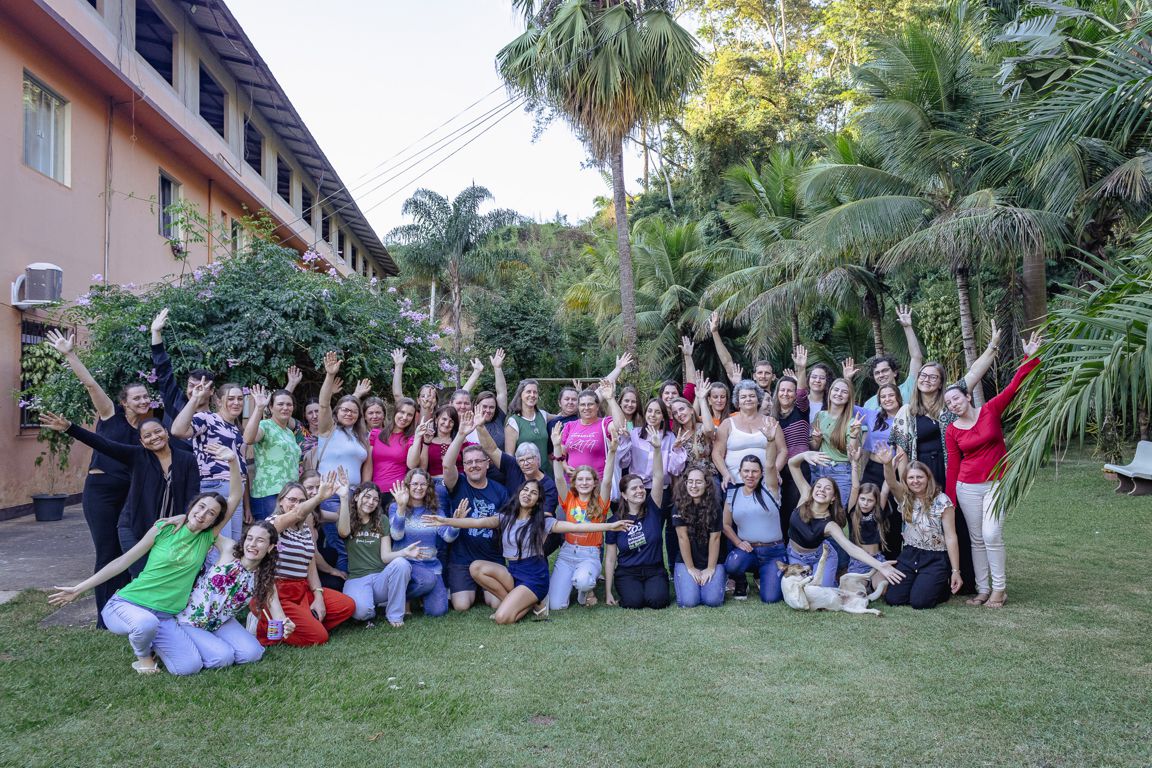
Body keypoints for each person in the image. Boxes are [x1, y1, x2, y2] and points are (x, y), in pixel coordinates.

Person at [47, 446, 243, 675]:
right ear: (192, 506)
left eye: (211, 513)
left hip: (165, 616)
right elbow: (122, 562)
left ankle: (158, 645)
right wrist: (79, 588)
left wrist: (232, 462)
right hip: (128, 605)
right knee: (145, 624)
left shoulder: (207, 538)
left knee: (189, 667)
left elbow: (235, 496)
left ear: (213, 522)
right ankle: (143, 659)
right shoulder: (164, 529)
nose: (203, 514)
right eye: (201, 507)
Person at [45, 329, 159, 625]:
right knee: (107, 550)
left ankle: (122, 609)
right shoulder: (110, 415)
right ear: (124, 402)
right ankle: (103, 617)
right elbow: (90, 384)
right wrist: (70, 354)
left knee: (127, 550)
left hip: (129, 495)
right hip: (102, 493)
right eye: (137, 397)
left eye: (146, 396)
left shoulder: (146, 432)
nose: (143, 400)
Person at [888, 321, 1002, 592]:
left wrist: (992, 346)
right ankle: (933, 574)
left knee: (959, 522)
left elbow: (974, 373)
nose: (926, 379)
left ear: (941, 383)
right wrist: (905, 485)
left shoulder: (950, 405)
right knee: (925, 524)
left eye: (933, 377)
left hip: (953, 471)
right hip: (921, 474)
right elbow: (902, 453)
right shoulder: (907, 411)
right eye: (923, 375)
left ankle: (967, 579)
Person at [423, 481, 628, 624]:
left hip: (533, 577)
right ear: (519, 492)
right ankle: (530, 605)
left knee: (503, 619)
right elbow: (476, 522)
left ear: (538, 500)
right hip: (513, 572)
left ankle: (529, 601)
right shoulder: (505, 517)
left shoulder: (543, 522)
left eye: (533, 493)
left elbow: (576, 526)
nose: (527, 494)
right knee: (476, 567)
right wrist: (445, 520)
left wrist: (608, 527)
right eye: (525, 490)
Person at [944, 332, 1042, 608]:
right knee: (976, 539)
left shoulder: (990, 410)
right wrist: (951, 499)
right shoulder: (952, 430)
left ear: (967, 395)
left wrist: (1029, 356)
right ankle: (983, 589)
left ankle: (1000, 589)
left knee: (991, 534)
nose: (954, 405)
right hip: (967, 486)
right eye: (949, 404)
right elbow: (954, 465)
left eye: (956, 399)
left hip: (997, 482)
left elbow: (1015, 385)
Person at [41, 411, 199, 579]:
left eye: (158, 431)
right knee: (143, 578)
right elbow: (103, 444)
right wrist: (69, 428)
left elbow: (192, 495)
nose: (154, 437)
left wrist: (186, 522)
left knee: (166, 579)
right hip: (135, 529)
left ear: (166, 433)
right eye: (147, 436)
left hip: (172, 531)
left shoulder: (187, 459)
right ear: (142, 442)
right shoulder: (137, 456)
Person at [255, 474, 357, 646]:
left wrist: (318, 596)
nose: (297, 504)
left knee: (347, 605)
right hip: (278, 592)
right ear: (281, 501)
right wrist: (319, 498)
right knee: (319, 637)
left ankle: (304, 622)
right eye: (292, 499)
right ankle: (268, 622)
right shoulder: (273, 523)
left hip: (301, 589)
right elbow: (298, 512)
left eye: (301, 500)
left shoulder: (305, 531)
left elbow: (311, 568)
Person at [177, 520, 293, 668]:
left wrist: (286, 625)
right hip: (190, 619)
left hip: (220, 622)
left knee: (253, 653)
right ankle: (189, 641)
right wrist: (183, 519)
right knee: (223, 658)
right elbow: (205, 527)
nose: (252, 544)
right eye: (249, 538)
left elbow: (279, 616)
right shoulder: (229, 552)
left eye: (260, 541)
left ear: (270, 547)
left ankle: (210, 642)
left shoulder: (264, 578)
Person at [785, 451, 904, 588]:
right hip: (794, 555)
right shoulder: (805, 496)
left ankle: (831, 580)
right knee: (794, 591)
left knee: (820, 592)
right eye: (818, 486)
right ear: (812, 490)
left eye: (827, 488)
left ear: (833, 497)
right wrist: (805, 455)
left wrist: (880, 566)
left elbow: (851, 548)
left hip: (822, 557)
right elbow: (792, 464)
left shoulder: (830, 524)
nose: (821, 490)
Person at [874, 443, 961, 609]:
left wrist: (955, 571)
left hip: (934, 557)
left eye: (919, 477)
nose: (915, 481)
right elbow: (892, 483)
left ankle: (941, 585)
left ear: (928, 478)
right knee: (894, 599)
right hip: (910, 554)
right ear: (906, 481)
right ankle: (921, 582)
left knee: (920, 602)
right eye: (911, 478)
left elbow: (951, 537)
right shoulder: (906, 498)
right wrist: (887, 464)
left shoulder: (943, 501)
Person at [440, 416, 510, 611]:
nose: (473, 465)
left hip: (490, 557)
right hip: (462, 559)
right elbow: (447, 466)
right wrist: (461, 434)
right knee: (461, 606)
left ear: (488, 464)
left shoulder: (499, 490)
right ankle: (473, 589)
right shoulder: (458, 484)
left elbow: (504, 522)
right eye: (469, 462)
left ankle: (483, 589)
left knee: (496, 603)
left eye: (478, 461)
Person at [548, 429, 624, 610]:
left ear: (593, 482)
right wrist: (557, 446)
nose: (584, 483)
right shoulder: (568, 499)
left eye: (588, 479)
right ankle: (578, 583)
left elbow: (607, 480)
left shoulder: (600, 501)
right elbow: (559, 477)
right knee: (556, 605)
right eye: (580, 479)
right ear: (574, 482)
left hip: (589, 554)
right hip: (567, 553)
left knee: (582, 582)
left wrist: (612, 451)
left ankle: (585, 590)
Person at [337, 478, 425, 627]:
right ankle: (369, 607)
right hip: (357, 579)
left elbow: (386, 557)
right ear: (357, 496)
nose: (371, 502)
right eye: (367, 496)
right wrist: (344, 497)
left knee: (401, 564)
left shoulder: (381, 520)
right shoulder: (347, 519)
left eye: (375, 499)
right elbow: (343, 532)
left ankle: (395, 616)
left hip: (380, 578)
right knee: (363, 612)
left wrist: (404, 552)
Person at [312, 351, 371, 573]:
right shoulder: (328, 429)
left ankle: (353, 585)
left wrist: (363, 493)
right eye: (345, 410)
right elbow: (324, 403)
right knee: (340, 543)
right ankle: (342, 585)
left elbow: (365, 467)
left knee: (352, 543)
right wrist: (329, 376)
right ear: (338, 413)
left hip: (354, 495)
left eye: (354, 411)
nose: (349, 413)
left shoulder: (359, 437)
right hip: (331, 496)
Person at [171, 381, 249, 541]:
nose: (236, 403)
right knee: (217, 543)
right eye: (231, 398)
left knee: (232, 544)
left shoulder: (236, 427)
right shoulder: (207, 418)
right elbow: (177, 431)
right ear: (218, 401)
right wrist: (194, 399)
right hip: (216, 487)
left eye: (240, 399)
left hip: (236, 490)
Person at [604, 448, 669, 609]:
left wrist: (656, 449)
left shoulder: (653, 508)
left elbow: (658, 477)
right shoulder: (614, 522)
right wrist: (608, 592)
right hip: (628, 572)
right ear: (624, 495)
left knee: (657, 601)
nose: (640, 491)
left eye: (641, 487)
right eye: (634, 488)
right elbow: (611, 558)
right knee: (634, 602)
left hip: (654, 569)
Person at [722, 454, 785, 603]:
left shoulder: (770, 489)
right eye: (746, 471)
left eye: (755, 471)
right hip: (749, 551)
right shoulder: (733, 494)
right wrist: (738, 543)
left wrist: (770, 441)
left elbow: (770, 464)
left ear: (761, 473)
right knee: (732, 564)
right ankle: (741, 581)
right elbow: (725, 525)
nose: (750, 475)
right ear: (740, 472)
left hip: (773, 552)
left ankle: (764, 576)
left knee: (771, 598)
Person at [389, 469, 451, 617]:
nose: (419, 487)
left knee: (438, 611)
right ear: (408, 486)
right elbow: (396, 536)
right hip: (406, 564)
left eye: (423, 484)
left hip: (431, 565)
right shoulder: (395, 507)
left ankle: (411, 595)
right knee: (427, 581)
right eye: (415, 483)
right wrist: (402, 507)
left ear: (429, 487)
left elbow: (448, 537)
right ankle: (399, 596)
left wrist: (455, 523)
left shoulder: (435, 510)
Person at [245, 384, 303, 521]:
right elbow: (248, 439)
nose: (285, 408)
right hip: (268, 493)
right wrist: (259, 408)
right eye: (280, 404)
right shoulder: (265, 425)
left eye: (289, 404)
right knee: (270, 537)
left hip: (289, 495)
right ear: (271, 407)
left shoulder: (289, 433)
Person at [712, 380, 783, 492]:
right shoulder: (727, 423)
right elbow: (717, 453)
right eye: (743, 397)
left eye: (752, 396)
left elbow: (782, 451)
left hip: (766, 481)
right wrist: (725, 474)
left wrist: (775, 471)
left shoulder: (770, 422)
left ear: (758, 399)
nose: (748, 399)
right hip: (734, 481)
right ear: (738, 401)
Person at [670, 466, 725, 608]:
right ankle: (690, 582)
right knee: (689, 602)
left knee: (712, 601)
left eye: (698, 482)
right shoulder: (678, 506)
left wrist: (711, 568)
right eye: (690, 481)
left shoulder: (715, 506)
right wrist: (691, 568)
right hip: (686, 561)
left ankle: (710, 580)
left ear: (706, 484)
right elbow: (682, 538)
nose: (694, 486)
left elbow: (716, 538)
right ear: (685, 483)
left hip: (711, 559)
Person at [861, 382, 904, 557]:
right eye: (883, 396)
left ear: (898, 397)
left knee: (891, 517)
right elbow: (846, 406)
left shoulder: (906, 417)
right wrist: (847, 380)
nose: (887, 399)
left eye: (890, 395)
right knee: (868, 515)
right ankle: (868, 561)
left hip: (895, 470)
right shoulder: (872, 415)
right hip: (872, 470)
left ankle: (891, 561)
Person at [808, 378, 866, 504]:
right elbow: (814, 447)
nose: (839, 394)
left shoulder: (851, 423)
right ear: (830, 392)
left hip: (840, 471)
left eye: (844, 392)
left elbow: (853, 456)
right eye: (836, 389)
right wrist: (817, 441)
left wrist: (854, 435)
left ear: (849, 397)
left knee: (837, 513)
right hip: (819, 468)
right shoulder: (820, 415)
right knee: (816, 511)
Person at [555, 380, 626, 479]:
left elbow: (620, 426)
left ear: (597, 407)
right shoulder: (570, 426)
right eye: (583, 405)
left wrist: (610, 399)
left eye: (590, 404)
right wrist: (564, 465)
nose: (586, 408)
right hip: (572, 481)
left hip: (597, 482)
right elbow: (561, 451)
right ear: (578, 407)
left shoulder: (604, 424)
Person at [843, 444, 889, 594]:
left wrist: (888, 464)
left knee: (882, 590)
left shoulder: (878, 513)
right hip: (859, 561)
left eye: (869, 500)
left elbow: (884, 489)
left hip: (877, 560)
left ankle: (872, 585)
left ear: (875, 502)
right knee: (854, 591)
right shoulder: (853, 512)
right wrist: (854, 463)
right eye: (862, 499)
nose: (865, 503)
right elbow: (856, 487)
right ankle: (864, 585)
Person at [863, 305, 924, 410]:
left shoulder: (908, 388)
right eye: (877, 373)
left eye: (885, 370)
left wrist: (907, 327)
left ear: (895, 372)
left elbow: (916, 357)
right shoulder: (869, 405)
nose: (881, 375)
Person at [772, 374, 810, 536]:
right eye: (782, 390)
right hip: (779, 470)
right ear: (777, 392)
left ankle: (795, 550)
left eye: (790, 391)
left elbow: (803, 393)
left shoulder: (801, 411)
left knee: (796, 512)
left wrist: (801, 368)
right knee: (779, 512)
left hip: (800, 468)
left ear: (795, 395)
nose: (785, 393)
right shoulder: (772, 417)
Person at [710, 310, 776, 397]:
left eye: (767, 373)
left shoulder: (779, 397)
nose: (763, 376)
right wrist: (715, 332)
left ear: (773, 377)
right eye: (760, 373)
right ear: (754, 376)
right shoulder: (745, 392)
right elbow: (727, 363)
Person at [367, 397, 418, 500]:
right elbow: (368, 465)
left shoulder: (411, 438)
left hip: (397, 493)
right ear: (395, 412)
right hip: (374, 493)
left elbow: (412, 464)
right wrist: (366, 487)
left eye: (409, 415)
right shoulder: (375, 434)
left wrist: (419, 437)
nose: (404, 417)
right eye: (402, 412)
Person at [505, 378, 553, 471]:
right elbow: (509, 456)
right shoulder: (513, 422)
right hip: (526, 476)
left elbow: (562, 416)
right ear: (520, 395)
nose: (532, 395)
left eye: (535, 392)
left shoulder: (543, 415)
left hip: (546, 474)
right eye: (528, 392)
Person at [407, 405, 462, 480]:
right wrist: (426, 443)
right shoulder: (426, 439)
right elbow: (423, 469)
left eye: (451, 421)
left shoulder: (459, 441)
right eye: (444, 419)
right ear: (436, 420)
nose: (447, 424)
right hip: (434, 483)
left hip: (457, 481)